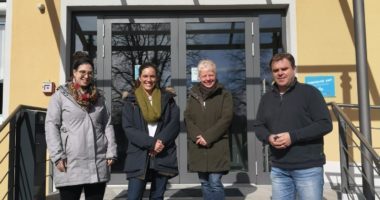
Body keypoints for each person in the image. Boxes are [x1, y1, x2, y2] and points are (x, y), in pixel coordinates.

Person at [253, 53, 333, 200]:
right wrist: (269, 137)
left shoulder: (310, 93)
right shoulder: (266, 98)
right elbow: (259, 126)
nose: (280, 73)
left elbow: (325, 124)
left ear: (293, 69)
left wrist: (293, 136)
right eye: (276, 70)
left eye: (284, 69)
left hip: (308, 167)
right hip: (278, 168)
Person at [45, 51, 117, 200]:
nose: (86, 76)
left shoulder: (99, 98)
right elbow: (51, 125)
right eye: (82, 72)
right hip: (70, 163)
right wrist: (57, 156)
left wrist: (111, 151)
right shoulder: (60, 97)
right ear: (74, 73)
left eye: (90, 73)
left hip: (97, 162)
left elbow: (107, 125)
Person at [122, 63, 180, 200]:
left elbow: (174, 125)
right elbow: (128, 128)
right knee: (133, 197)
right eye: (145, 76)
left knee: (157, 197)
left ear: (157, 78)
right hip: (138, 155)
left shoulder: (168, 99)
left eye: (152, 76)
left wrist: (160, 143)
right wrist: (152, 143)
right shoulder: (131, 101)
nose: (149, 80)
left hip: (163, 154)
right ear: (140, 78)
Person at [184, 59, 233, 200]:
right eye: (204, 76)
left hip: (217, 145)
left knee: (215, 182)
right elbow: (188, 118)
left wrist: (208, 137)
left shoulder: (224, 94)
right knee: (204, 183)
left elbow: (226, 118)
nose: (208, 79)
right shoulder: (193, 94)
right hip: (198, 145)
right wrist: (198, 136)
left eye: (210, 75)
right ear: (199, 77)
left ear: (215, 75)